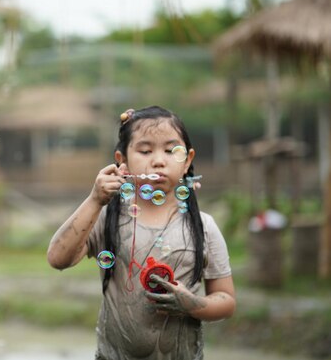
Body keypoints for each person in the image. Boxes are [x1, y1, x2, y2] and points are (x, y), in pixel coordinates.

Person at [47, 106, 235, 360]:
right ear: (121, 160)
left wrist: (191, 304)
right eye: (145, 150)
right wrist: (94, 200)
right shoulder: (106, 218)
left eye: (171, 150)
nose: (158, 160)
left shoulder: (203, 226)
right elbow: (58, 258)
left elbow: (226, 300)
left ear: (187, 160)